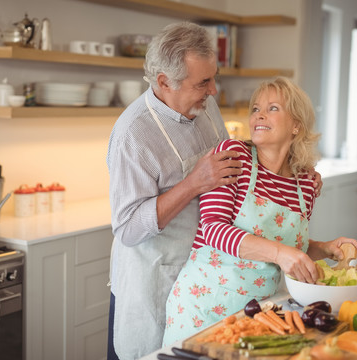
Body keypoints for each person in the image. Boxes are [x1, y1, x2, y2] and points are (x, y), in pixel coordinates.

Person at [106, 23, 322, 359]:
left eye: (214, 77)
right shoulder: (132, 135)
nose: (215, 90)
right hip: (157, 278)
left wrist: (296, 170)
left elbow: (243, 163)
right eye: (203, 82)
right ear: (164, 82)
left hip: (219, 269)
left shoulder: (205, 105)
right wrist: (193, 183)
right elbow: (128, 228)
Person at [162, 77, 357, 345]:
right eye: (256, 109)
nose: (259, 115)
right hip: (204, 307)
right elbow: (213, 230)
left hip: (260, 316)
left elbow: (289, 248)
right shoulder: (234, 156)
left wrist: (324, 248)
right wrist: (282, 254)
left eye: (273, 108)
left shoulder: (304, 183)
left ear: (296, 125)